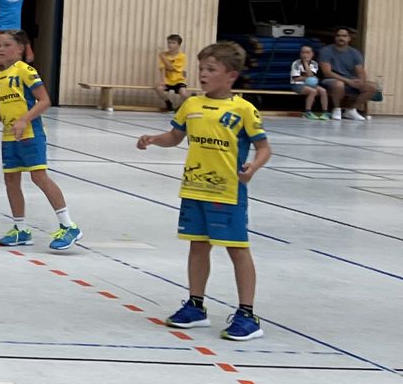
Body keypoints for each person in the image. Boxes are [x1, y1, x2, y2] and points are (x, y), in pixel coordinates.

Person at [137, 41, 272, 341]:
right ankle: (196, 306)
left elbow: (264, 148)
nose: (203, 74)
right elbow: (175, 137)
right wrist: (154, 139)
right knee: (197, 246)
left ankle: (247, 315)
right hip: (194, 189)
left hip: (227, 192)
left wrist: (253, 167)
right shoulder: (192, 105)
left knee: (238, 249)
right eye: (201, 68)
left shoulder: (243, 109)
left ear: (231, 75)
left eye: (211, 69)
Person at [0, 29, 80, 252]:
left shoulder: (25, 70)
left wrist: (24, 120)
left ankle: (69, 226)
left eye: (7, 45)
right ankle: (21, 229)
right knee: (11, 180)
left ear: (20, 49)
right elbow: (9, 103)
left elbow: (45, 100)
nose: (1, 49)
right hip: (10, 136)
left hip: (30, 133)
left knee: (39, 177)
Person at [318, 26, 378, 120]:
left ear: (349, 38)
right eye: (338, 36)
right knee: (339, 84)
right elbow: (327, 72)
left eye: (344, 36)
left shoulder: (355, 53)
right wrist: (348, 81)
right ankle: (337, 109)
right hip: (331, 79)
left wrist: (361, 81)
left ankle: (351, 110)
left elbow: (360, 71)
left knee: (372, 87)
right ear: (335, 38)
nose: (341, 38)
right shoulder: (326, 51)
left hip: (349, 79)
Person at [290, 44, 325, 120]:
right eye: (303, 52)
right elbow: (296, 78)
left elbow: (311, 75)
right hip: (297, 84)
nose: (305, 55)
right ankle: (307, 112)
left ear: (312, 54)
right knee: (313, 91)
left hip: (309, 84)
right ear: (300, 54)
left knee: (323, 91)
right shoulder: (296, 63)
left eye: (308, 52)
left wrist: (306, 68)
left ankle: (325, 112)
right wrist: (305, 63)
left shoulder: (314, 64)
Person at [157, 34, 191, 111]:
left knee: (184, 94)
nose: (170, 45)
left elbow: (170, 67)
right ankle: (168, 104)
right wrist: (163, 81)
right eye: (169, 42)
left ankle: (185, 106)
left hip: (178, 80)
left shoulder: (182, 56)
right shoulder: (164, 54)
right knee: (158, 88)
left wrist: (163, 57)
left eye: (173, 43)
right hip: (168, 80)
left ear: (178, 45)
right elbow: (162, 69)